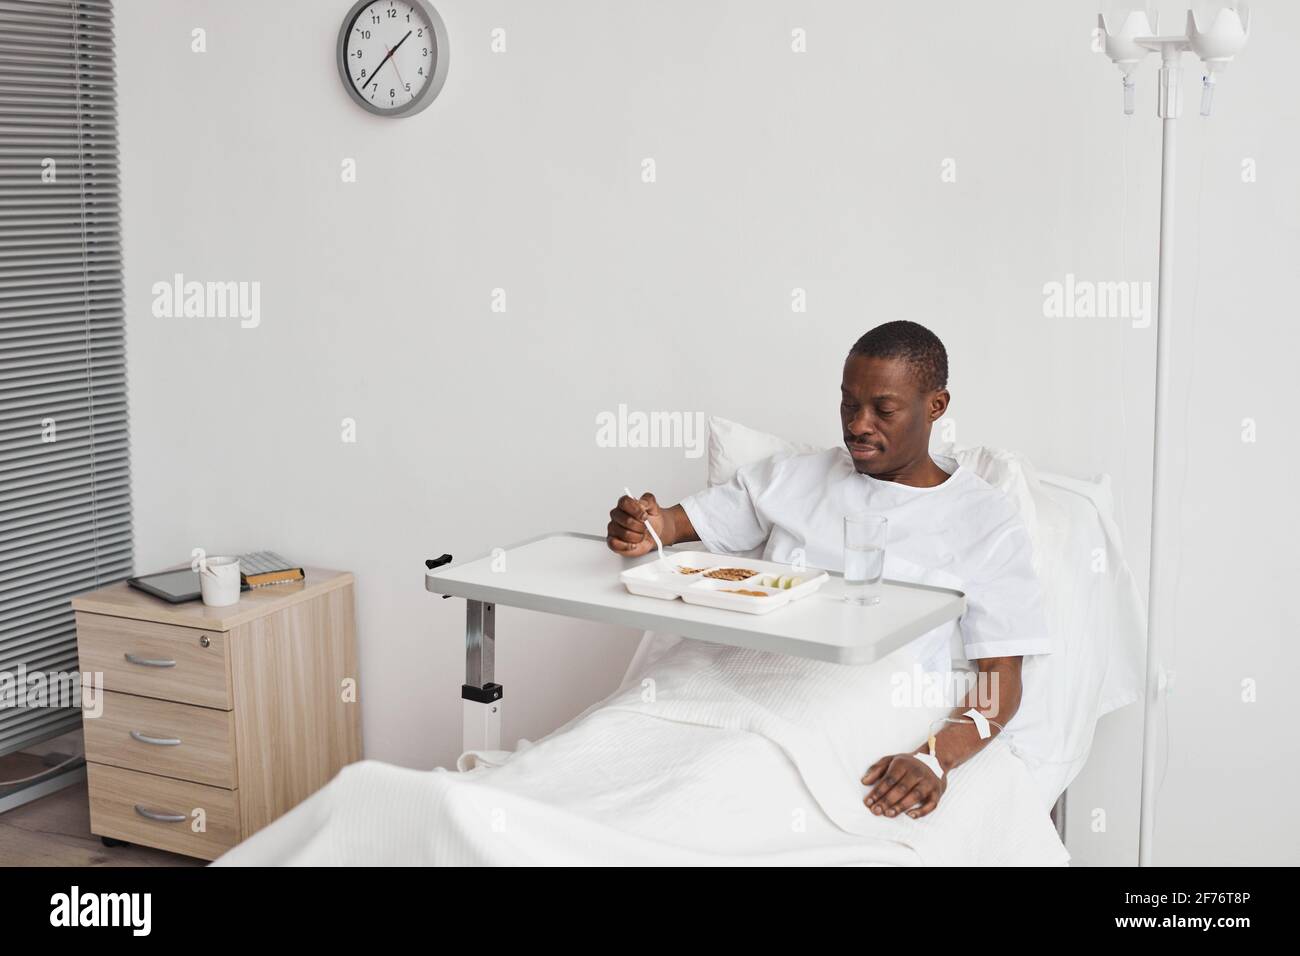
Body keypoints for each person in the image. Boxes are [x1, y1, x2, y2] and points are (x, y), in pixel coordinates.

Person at [605, 320, 1053, 819]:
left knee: (717, 783)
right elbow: (671, 526)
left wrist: (936, 756)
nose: (859, 424)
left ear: (936, 406)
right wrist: (644, 525)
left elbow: (1001, 680)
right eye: (848, 404)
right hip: (728, 674)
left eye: (883, 409)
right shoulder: (793, 478)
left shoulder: (983, 520)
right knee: (613, 744)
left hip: (851, 699)